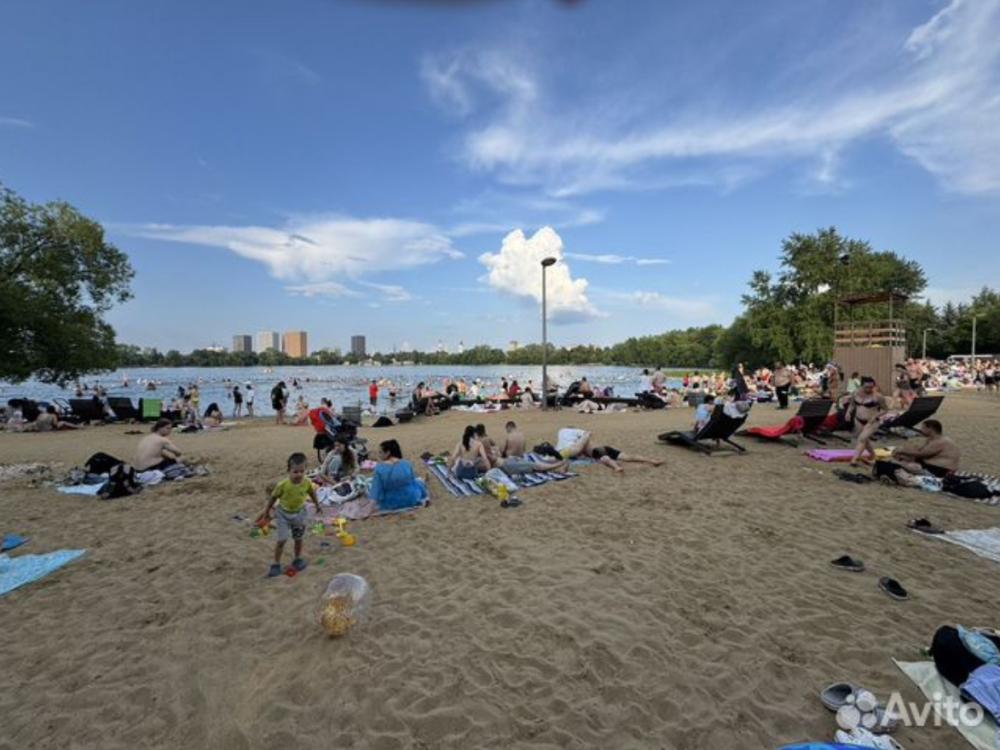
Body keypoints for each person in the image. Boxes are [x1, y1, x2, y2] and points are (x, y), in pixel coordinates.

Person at [258, 452, 322, 577]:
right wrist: (266, 512)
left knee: (298, 538)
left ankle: (297, 559)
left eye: (302, 471)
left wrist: (317, 504)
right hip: (283, 515)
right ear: (289, 471)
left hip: (299, 514)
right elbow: (272, 498)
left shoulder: (307, 482)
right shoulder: (283, 485)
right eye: (295, 471)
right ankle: (276, 564)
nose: (299, 474)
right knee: (282, 539)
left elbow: (311, 492)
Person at [885, 419, 960, 478]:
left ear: (930, 429)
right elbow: (919, 450)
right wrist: (903, 452)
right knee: (902, 458)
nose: (921, 430)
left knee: (899, 464)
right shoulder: (932, 439)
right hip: (932, 466)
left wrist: (902, 451)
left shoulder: (940, 441)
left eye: (923, 428)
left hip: (940, 470)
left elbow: (921, 454)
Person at [368, 439, 428, 511]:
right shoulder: (407, 464)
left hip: (391, 502)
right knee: (418, 482)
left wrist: (369, 509)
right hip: (411, 498)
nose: (379, 455)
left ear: (388, 453)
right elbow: (413, 481)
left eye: (380, 452)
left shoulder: (380, 469)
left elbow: (375, 492)